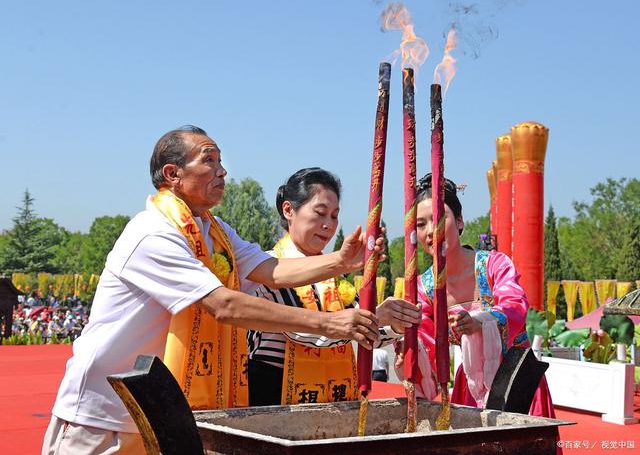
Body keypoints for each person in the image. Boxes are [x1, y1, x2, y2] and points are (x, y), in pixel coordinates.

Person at [43, 126, 384, 455]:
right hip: (104, 415)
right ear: (172, 173)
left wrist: (340, 262)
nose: (222, 172)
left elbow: (270, 269)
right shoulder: (153, 232)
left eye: (221, 162)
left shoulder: (215, 231)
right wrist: (328, 323)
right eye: (209, 161)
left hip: (161, 413)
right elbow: (223, 305)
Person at [248, 168, 421, 405]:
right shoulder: (269, 268)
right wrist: (376, 317)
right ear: (289, 210)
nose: (328, 225)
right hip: (274, 395)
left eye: (334, 215)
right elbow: (306, 333)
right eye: (320, 213)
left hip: (330, 396)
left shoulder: (334, 277)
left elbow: (362, 331)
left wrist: (395, 324)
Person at [395, 173, 555, 418]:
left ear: (459, 221)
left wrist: (481, 322)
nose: (431, 231)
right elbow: (426, 343)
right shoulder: (423, 288)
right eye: (421, 224)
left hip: (517, 378)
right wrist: (408, 353)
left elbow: (515, 307)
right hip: (470, 386)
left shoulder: (494, 265)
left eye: (439, 218)